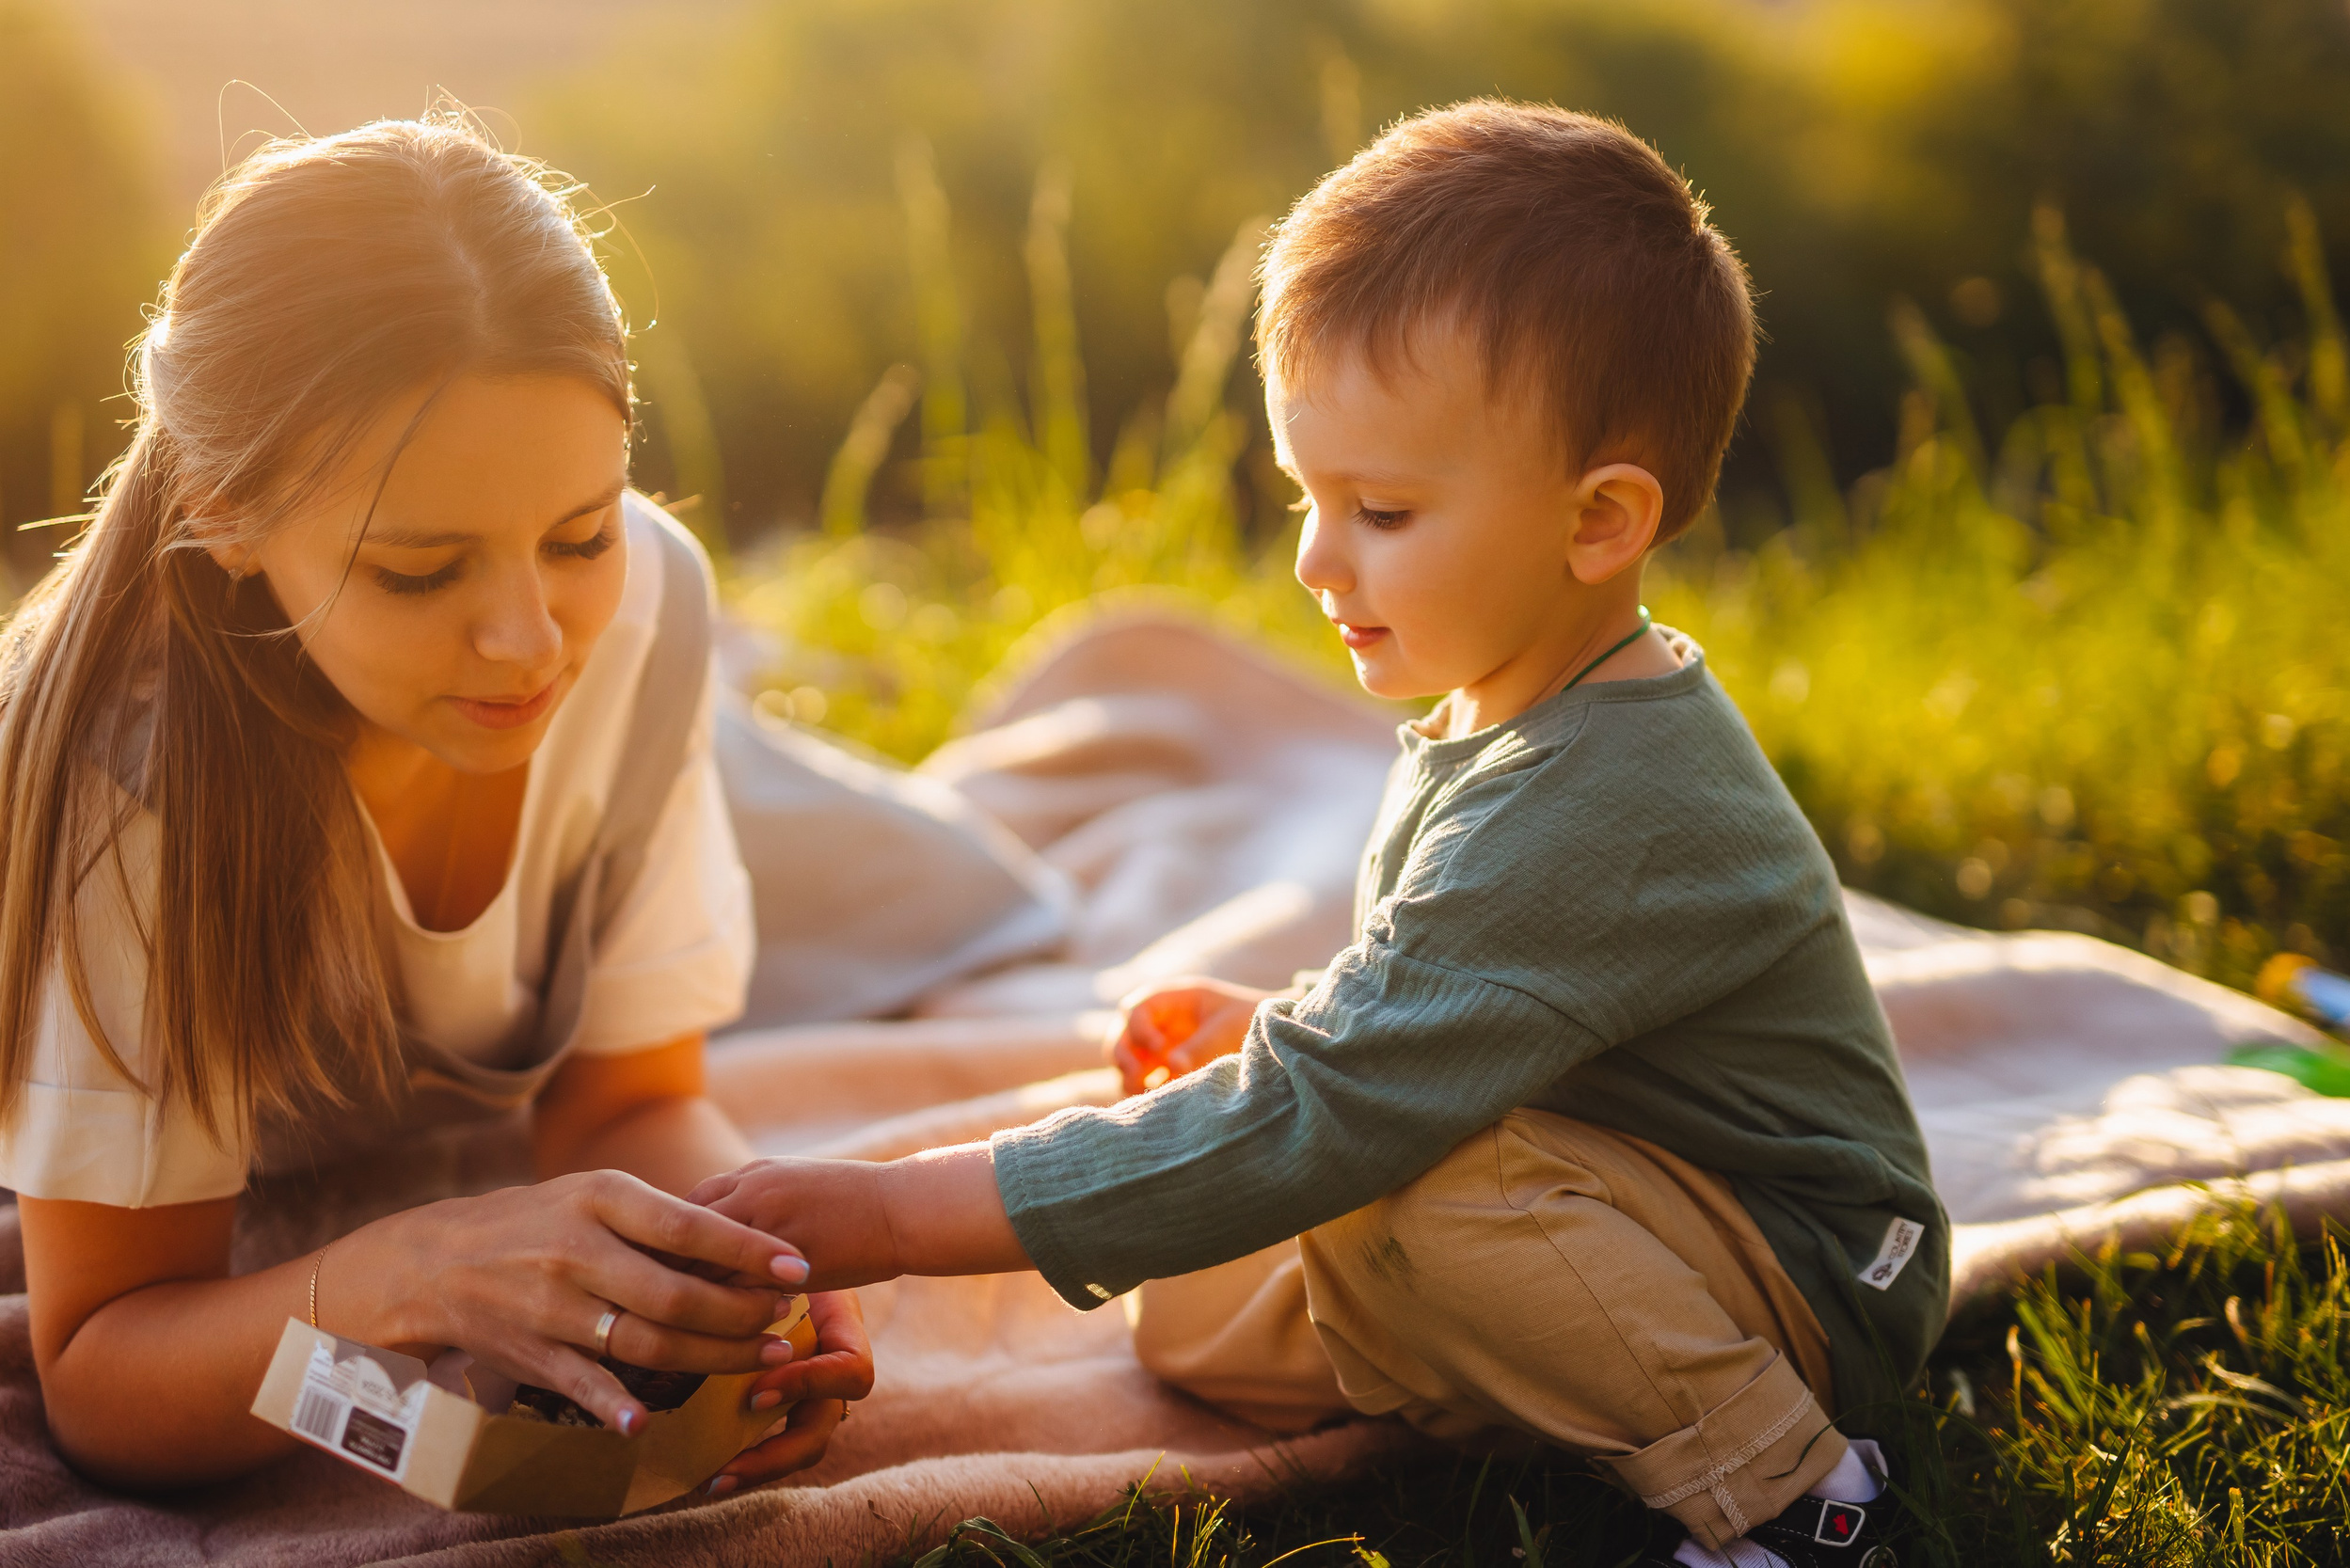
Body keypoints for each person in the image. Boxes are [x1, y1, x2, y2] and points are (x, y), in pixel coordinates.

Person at [690, 100, 1945, 1568]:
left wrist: (889, 1216)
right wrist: (1279, 1027)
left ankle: (1795, 1496)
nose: (1311, 556)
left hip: (1815, 1272)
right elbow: (1442, 1005)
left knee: (1384, 1170)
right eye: (1306, 495)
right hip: (1612, 1177)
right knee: (1203, 1304)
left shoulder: (1614, 794)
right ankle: (1544, 1363)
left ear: (1600, 520)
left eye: (1383, 510)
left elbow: (1342, 1102)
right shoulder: (1516, 699)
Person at [0, 117, 868, 1497]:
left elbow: (626, 1103)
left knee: (910, 890)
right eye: (420, 571)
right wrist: (379, 1279)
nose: (530, 643)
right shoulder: (129, 785)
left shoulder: (645, 616)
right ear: (227, 516)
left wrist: (746, 1259)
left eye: (579, 535)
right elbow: (101, 1371)